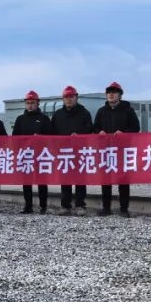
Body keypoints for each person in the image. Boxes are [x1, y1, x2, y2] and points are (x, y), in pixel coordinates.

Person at [93, 81, 141, 217]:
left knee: (123, 180)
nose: (111, 95)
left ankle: (124, 209)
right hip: (106, 150)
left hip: (122, 151)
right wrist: (99, 131)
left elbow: (136, 128)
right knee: (105, 180)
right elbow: (95, 127)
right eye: (109, 92)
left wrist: (124, 133)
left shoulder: (128, 110)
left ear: (120, 95)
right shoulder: (101, 111)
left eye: (114, 92)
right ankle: (106, 208)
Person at [51, 86, 93, 216]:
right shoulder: (58, 114)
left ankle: (80, 205)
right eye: (66, 97)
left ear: (76, 98)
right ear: (63, 99)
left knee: (80, 180)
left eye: (71, 97)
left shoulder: (84, 113)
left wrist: (79, 135)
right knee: (65, 180)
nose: (69, 99)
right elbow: (52, 132)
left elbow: (90, 129)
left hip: (80, 151)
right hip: (63, 152)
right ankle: (65, 206)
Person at [12, 91, 53, 214]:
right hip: (26, 155)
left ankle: (43, 207)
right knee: (26, 182)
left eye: (32, 103)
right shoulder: (20, 119)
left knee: (42, 182)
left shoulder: (44, 119)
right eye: (28, 103)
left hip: (40, 155)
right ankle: (28, 206)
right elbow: (14, 137)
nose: (30, 105)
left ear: (37, 103)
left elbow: (50, 136)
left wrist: (40, 138)